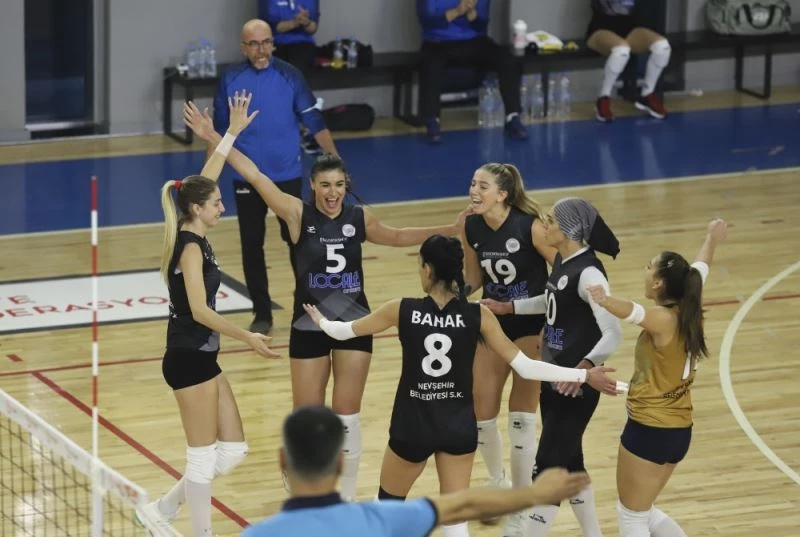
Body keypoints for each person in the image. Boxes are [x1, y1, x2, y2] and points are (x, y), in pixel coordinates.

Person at [184, 98, 471, 503]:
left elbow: (397, 236)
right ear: (313, 186)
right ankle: (303, 483)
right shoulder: (296, 213)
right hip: (308, 323)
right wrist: (216, 135)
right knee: (308, 416)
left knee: (347, 416)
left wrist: (450, 228)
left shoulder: (359, 218)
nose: (333, 193)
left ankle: (346, 498)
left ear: (346, 185)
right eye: (325, 185)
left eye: (339, 185)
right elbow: (254, 174)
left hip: (354, 323)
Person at [303, 234, 621, 537]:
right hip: (457, 427)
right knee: (455, 520)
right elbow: (525, 365)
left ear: (428, 270)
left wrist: (322, 322)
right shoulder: (478, 315)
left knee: (387, 507)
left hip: (413, 425)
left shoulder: (401, 308)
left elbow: (345, 331)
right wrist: (584, 375)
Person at [137, 94, 280, 537]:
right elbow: (199, 311)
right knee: (201, 459)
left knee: (231, 451)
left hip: (202, 358)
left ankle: (162, 508)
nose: (223, 206)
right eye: (217, 203)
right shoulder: (190, 248)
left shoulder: (192, 224)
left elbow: (206, 178)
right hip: (187, 358)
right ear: (197, 210)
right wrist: (248, 336)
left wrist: (230, 132)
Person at [482, 197, 623, 537]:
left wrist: (585, 369)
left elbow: (614, 332)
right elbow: (552, 300)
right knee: (571, 462)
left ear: (571, 230)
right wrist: (509, 307)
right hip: (555, 377)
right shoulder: (563, 260)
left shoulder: (589, 273)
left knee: (547, 469)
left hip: (577, 385)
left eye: (552, 222)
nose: (545, 226)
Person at [241, 405, 594, 537]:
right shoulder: (380, 522)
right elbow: (464, 504)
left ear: (283, 460)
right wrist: (534, 493)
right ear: (340, 463)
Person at [585, 219, 728, 537]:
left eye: (650, 267)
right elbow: (700, 270)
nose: (645, 271)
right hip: (678, 430)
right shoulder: (690, 309)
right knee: (644, 511)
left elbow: (635, 312)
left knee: (631, 516)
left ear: (660, 283)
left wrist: (605, 299)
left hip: (649, 430)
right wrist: (711, 239)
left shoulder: (664, 318)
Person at [212, 18, 338, 335]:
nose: (261, 50)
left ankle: (306, 307)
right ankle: (262, 313)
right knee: (251, 243)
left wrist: (336, 163)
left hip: (286, 175)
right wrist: (208, 179)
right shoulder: (230, 79)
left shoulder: (290, 75)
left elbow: (314, 120)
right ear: (243, 47)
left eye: (266, 42)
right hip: (246, 177)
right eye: (254, 44)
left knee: (299, 242)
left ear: (273, 43)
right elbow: (218, 133)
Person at [462, 163, 556, 536]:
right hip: (492, 322)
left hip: (531, 325)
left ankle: (521, 504)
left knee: (521, 419)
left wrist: (536, 315)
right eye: (473, 183)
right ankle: (498, 481)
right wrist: (447, 299)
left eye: (482, 186)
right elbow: (473, 279)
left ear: (502, 194)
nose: (474, 190)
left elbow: (564, 278)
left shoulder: (530, 226)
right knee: (481, 415)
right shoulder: (471, 225)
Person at [416, 0, 528, 144]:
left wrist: (473, 15)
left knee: (506, 59)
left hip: (474, 41)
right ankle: (432, 121)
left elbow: (482, 23)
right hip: (437, 41)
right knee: (431, 62)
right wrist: (457, 11)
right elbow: (427, 21)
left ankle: (512, 117)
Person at [586, 0, 671, 122]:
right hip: (600, 30)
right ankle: (603, 97)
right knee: (621, 50)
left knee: (662, 46)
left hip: (630, 30)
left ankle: (647, 94)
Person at [259, 0, 320, 76]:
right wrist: (295, 23)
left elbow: (313, 28)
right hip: (275, 43)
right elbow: (269, 28)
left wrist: (306, 22)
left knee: (297, 72)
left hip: (303, 43)